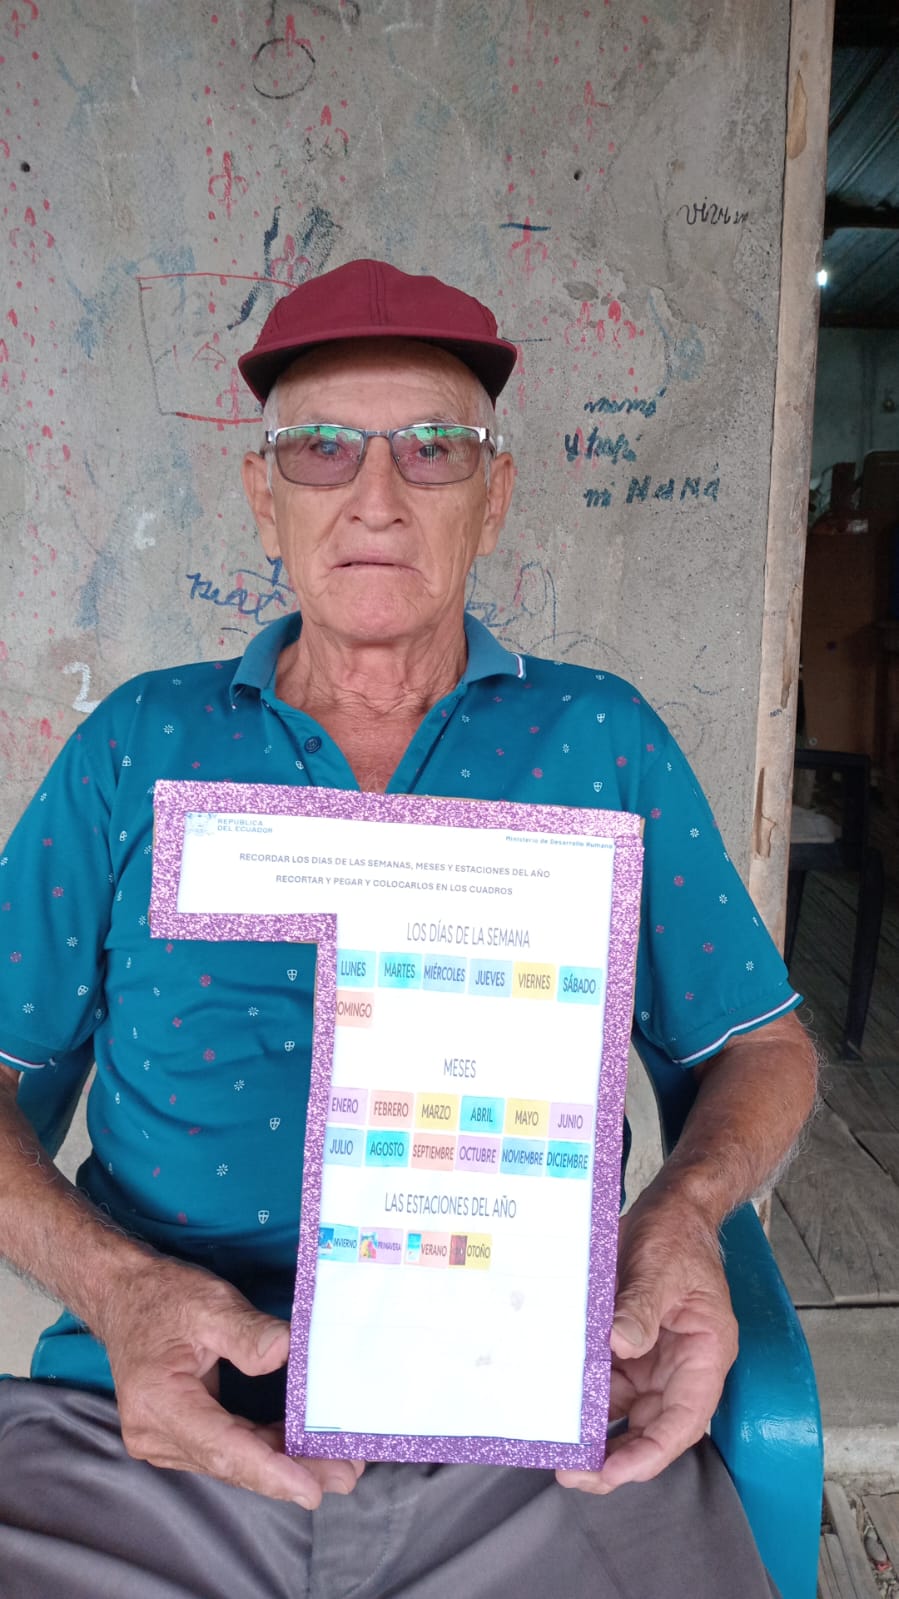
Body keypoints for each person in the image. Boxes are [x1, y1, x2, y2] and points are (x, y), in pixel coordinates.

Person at [0, 258, 816, 1598]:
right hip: (151, 1425)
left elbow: (761, 1045)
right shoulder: (139, 746)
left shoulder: (598, 739)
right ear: (263, 496)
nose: (376, 494)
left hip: (536, 1437)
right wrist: (116, 1291)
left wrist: (684, 1213)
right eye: (322, 447)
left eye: (434, 449)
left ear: (495, 498)